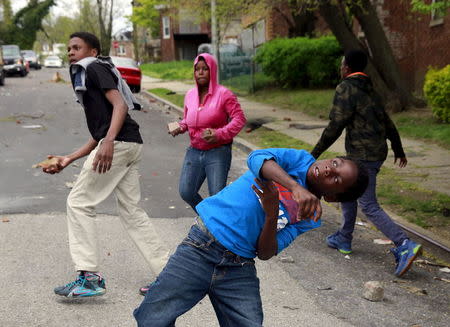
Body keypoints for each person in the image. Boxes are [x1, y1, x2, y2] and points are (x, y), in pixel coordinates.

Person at [134, 148, 369, 326]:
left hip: (238, 266)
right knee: (151, 318)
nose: (330, 169)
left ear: (334, 198)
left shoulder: (310, 216)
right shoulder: (299, 160)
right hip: (201, 246)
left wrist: (271, 214)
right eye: (335, 163)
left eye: (336, 179)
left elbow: (266, 253)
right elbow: (257, 158)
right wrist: (294, 187)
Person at [42, 32, 168, 297]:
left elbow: (120, 105)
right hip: (130, 143)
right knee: (132, 213)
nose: (71, 52)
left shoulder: (94, 67)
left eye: (77, 47)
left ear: (94, 51)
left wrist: (109, 141)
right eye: (68, 48)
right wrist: (69, 159)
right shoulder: (90, 73)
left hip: (120, 144)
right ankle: (170, 274)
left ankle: (89, 277)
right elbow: (99, 133)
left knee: (78, 202)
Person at [311, 49, 422, 277]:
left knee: (368, 204)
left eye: (342, 64)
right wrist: (398, 149)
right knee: (348, 191)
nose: (341, 67)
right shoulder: (371, 89)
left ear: (347, 67)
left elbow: (336, 124)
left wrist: (315, 153)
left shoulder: (346, 88)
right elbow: (388, 123)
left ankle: (404, 244)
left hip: (361, 155)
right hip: (375, 152)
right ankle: (344, 237)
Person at [167, 53, 246, 212]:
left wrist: (219, 134)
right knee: (187, 192)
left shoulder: (224, 94)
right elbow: (188, 120)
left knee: (217, 196)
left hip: (218, 152)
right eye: (197, 69)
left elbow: (239, 119)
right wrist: (180, 126)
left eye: (205, 69)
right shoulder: (190, 95)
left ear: (213, 71)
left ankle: (217, 230)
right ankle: (208, 219)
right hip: (195, 151)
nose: (200, 72)